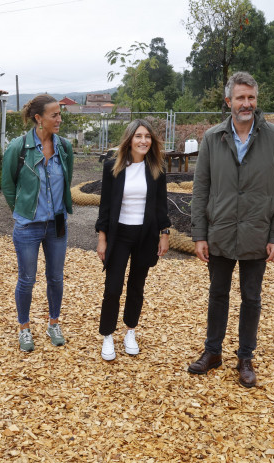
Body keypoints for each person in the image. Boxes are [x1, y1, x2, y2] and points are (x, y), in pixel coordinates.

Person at [187, 71, 274, 387]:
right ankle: (213, 351)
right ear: (228, 101)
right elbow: (200, 189)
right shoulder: (212, 138)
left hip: (257, 234)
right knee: (217, 294)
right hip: (219, 231)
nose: (246, 103)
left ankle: (245, 357)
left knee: (251, 296)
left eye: (251, 98)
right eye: (240, 98)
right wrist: (199, 234)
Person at [1, 94, 74, 352]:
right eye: (54, 115)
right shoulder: (18, 148)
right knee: (27, 279)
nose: (59, 119)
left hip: (57, 226)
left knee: (55, 278)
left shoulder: (64, 147)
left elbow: (67, 181)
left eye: (59, 114)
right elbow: (8, 186)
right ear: (38, 118)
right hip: (28, 227)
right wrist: (22, 211)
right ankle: (24, 328)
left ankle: (53, 323)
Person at [95, 119, 171, 361]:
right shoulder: (113, 168)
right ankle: (108, 335)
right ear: (129, 139)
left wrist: (165, 234)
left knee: (137, 287)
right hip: (119, 235)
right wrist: (102, 238)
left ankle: (130, 331)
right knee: (113, 287)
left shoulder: (157, 169)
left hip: (145, 236)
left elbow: (161, 206)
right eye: (139, 136)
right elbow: (105, 207)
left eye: (147, 136)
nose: (143, 141)